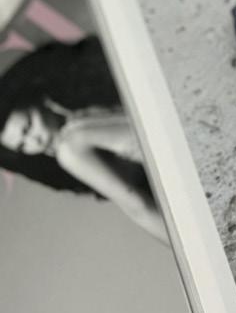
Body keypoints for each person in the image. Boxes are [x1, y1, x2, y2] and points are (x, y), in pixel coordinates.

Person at [0, 37, 166, 243]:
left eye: (28, 127)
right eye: (22, 146)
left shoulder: (72, 146)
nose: (36, 142)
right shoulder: (77, 147)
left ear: (40, 100)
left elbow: (139, 208)